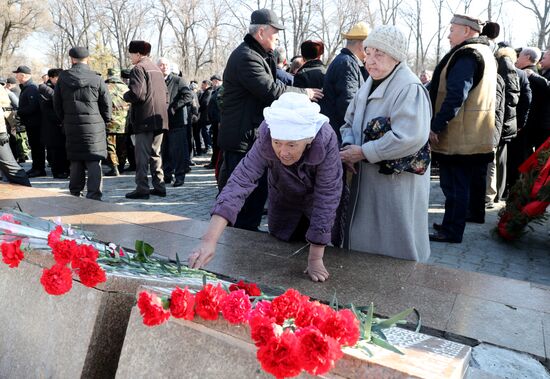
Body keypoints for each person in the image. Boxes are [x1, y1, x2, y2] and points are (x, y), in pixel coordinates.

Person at [189, 92, 342, 282]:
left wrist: (315, 257)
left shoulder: (325, 138)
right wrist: (209, 240)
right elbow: (240, 181)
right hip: (283, 200)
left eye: (292, 145)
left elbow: (327, 194)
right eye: (277, 143)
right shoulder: (266, 133)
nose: (283, 152)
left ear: (309, 139)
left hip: (317, 206)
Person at [218, 8, 322, 232]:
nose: (278, 37)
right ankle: (240, 246)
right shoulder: (246, 56)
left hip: (249, 136)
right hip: (242, 140)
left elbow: (276, 75)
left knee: (255, 198)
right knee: (244, 198)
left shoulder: (256, 54)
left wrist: (299, 80)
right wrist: (305, 94)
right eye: (275, 33)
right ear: (262, 32)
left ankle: (246, 238)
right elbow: (270, 89)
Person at [339, 25, 431, 261]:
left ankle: (399, 287)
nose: (370, 61)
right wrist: (350, 147)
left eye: (379, 54)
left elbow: (410, 136)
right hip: (366, 177)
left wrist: (364, 152)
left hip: (396, 183)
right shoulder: (368, 84)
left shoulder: (409, 87)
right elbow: (348, 122)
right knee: (365, 240)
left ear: (396, 57)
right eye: (368, 53)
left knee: (395, 241)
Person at [428, 14, 497, 243]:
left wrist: (436, 126)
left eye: (453, 30)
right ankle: (451, 224)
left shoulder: (468, 55)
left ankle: (452, 230)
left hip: (460, 136)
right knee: (457, 185)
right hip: (470, 134)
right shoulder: (485, 52)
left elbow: (456, 95)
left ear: (467, 31)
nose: (449, 35)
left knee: (454, 186)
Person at [53, 47, 112, 200]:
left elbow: (57, 104)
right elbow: (106, 104)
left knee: (76, 160)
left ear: (72, 59)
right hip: (94, 126)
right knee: (94, 160)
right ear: (87, 59)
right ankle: (94, 195)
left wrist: (65, 120)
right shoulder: (96, 78)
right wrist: (104, 121)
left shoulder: (63, 78)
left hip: (72, 125)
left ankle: (75, 193)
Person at [124, 40, 169, 200]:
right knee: (155, 154)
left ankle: (142, 188)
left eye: (130, 53)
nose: (130, 57)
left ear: (137, 53)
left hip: (144, 119)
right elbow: (166, 94)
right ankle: (159, 186)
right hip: (160, 119)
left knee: (141, 156)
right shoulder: (156, 69)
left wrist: (125, 95)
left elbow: (138, 93)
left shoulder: (138, 68)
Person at [321, 22, 369, 142]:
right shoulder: (347, 64)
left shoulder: (347, 61)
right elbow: (348, 104)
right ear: (362, 45)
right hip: (339, 134)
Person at [158, 57, 193, 187]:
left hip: (177, 122)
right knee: (165, 150)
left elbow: (188, 96)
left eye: (166, 64)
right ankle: (167, 175)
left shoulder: (179, 80)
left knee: (177, 150)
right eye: (161, 65)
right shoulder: (156, 82)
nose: (164, 67)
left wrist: (174, 107)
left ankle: (179, 176)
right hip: (162, 121)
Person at [15, 65, 45, 177]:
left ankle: (39, 169)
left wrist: (19, 112)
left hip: (35, 123)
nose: (16, 76)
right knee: (34, 146)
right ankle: (36, 167)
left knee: (37, 146)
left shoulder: (32, 88)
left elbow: (33, 107)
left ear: (23, 75)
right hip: (31, 123)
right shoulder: (27, 87)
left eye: (17, 74)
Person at [38, 68, 69, 179]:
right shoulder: (46, 90)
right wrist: (60, 120)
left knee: (63, 149)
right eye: (59, 77)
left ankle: (65, 170)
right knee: (56, 150)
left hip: (61, 124)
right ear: (52, 78)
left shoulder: (59, 88)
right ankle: (58, 172)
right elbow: (47, 110)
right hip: (52, 126)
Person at [0, 84, 30, 186]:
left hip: (2, 132)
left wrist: (2, 132)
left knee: (10, 166)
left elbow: (5, 110)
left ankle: (29, 193)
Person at [104, 68, 130, 177]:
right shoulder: (126, 88)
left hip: (109, 121)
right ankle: (121, 167)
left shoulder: (104, 87)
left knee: (110, 146)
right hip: (124, 122)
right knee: (122, 146)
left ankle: (114, 167)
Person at [205, 74, 222, 170]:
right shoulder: (215, 91)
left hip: (218, 122)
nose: (213, 83)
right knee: (215, 143)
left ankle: (215, 162)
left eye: (215, 81)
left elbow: (221, 107)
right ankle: (214, 162)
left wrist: (220, 120)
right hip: (214, 122)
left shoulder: (221, 91)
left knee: (217, 144)